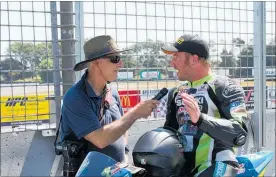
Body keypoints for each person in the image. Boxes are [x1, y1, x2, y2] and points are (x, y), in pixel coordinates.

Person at [56, 35, 159, 174]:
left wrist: (125, 155)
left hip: (116, 172)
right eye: (115, 58)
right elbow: (100, 139)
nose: (120, 64)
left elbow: (121, 125)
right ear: (96, 63)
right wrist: (135, 113)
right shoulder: (76, 98)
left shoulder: (112, 92)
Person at [161, 34, 248, 177]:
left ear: (194, 59)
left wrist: (201, 119)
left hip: (219, 167)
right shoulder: (176, 93)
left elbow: (240, 133)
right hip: (184, 170)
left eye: (176, 57)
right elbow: (170, 134)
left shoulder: (226, 87)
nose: (172, 63)